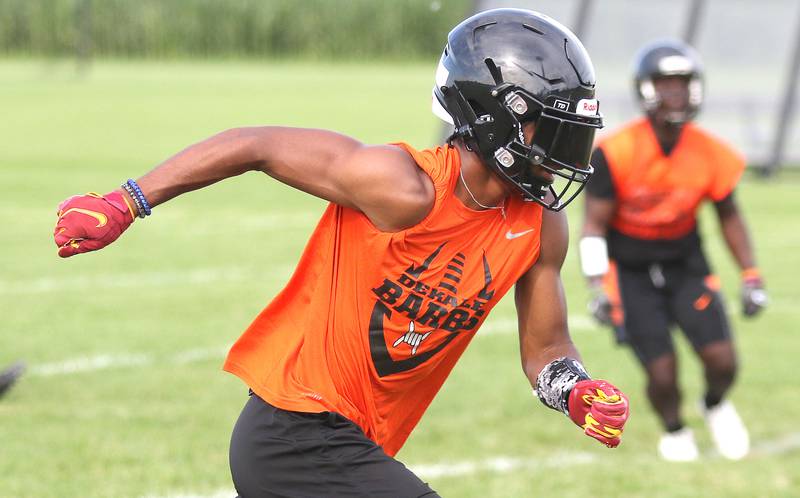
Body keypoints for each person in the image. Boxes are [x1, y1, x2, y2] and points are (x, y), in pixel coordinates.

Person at [54, 9, 629, 497]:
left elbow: (548, 349)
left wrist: (574, 390)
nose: (563, 153)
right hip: (293, 430)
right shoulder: (403, 187)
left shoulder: (542, 225)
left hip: (350, 443)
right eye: (548, 131)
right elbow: (255, 145)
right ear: (492, 116)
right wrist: (129, 200)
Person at [580, 39, 766, 462]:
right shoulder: (616, 152)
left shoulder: (710, 152)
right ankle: (675, 429)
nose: (676, 93)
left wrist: (751, 275)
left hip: (685, 263)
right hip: (630, 269)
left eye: (682, 83)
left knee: (723, 360)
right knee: (662, 372)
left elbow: (730, 216)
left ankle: (715, 404)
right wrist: (597, 285)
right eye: (666, 84)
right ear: (646, 89)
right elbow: (593, 225)